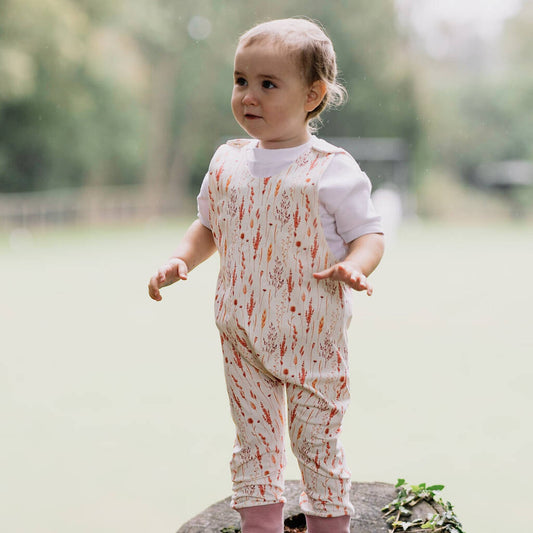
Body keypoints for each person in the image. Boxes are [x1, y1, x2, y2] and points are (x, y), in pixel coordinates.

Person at [148, 18, 385, 533]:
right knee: (254, 440)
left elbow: (370, 234)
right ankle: (260, 525)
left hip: (311, 338)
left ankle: (329, 525)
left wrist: (356, 266)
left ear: (313, 95)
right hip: (241, 332)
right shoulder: (227, 161)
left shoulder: (331, 168)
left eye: (268, 84)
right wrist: (181, 260)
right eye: (240, 81)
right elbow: (209, 224)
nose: (248, 96)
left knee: (315, 441)